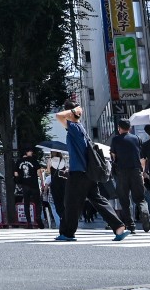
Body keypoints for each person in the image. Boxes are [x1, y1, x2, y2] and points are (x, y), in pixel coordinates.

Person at [55, 101, 130, 242]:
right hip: (89, 173)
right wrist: (75, 112)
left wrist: (73, 111)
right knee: (98, 200)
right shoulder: (82, 128)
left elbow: (59, 116)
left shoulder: (74, 127)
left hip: (78, 172)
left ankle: (67, 233)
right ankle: (119, 227)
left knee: (71, 202)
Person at [109, 119, 150, 233]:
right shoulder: (137, 139)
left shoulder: (116, 140)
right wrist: (142, 172)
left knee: (124, 200)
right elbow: (142, 158)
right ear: (130, 128)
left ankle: (130, 226)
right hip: (136, 171)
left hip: (122, 173)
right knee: (140, 198)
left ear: (119, 128)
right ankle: (144, 211)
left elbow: (113, 156)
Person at [14, 147, 43, 229]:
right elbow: (39, 172)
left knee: (26, 203)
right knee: (37, 202)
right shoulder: (34, 160)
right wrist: (42, 181)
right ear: (26, 152)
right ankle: (38, 217)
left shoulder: (18, 162)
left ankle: (29, 222)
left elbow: (16, 173)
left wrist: (19, 181)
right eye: (30, 151)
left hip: (25, 185)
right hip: (34, 184)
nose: (31, 152)